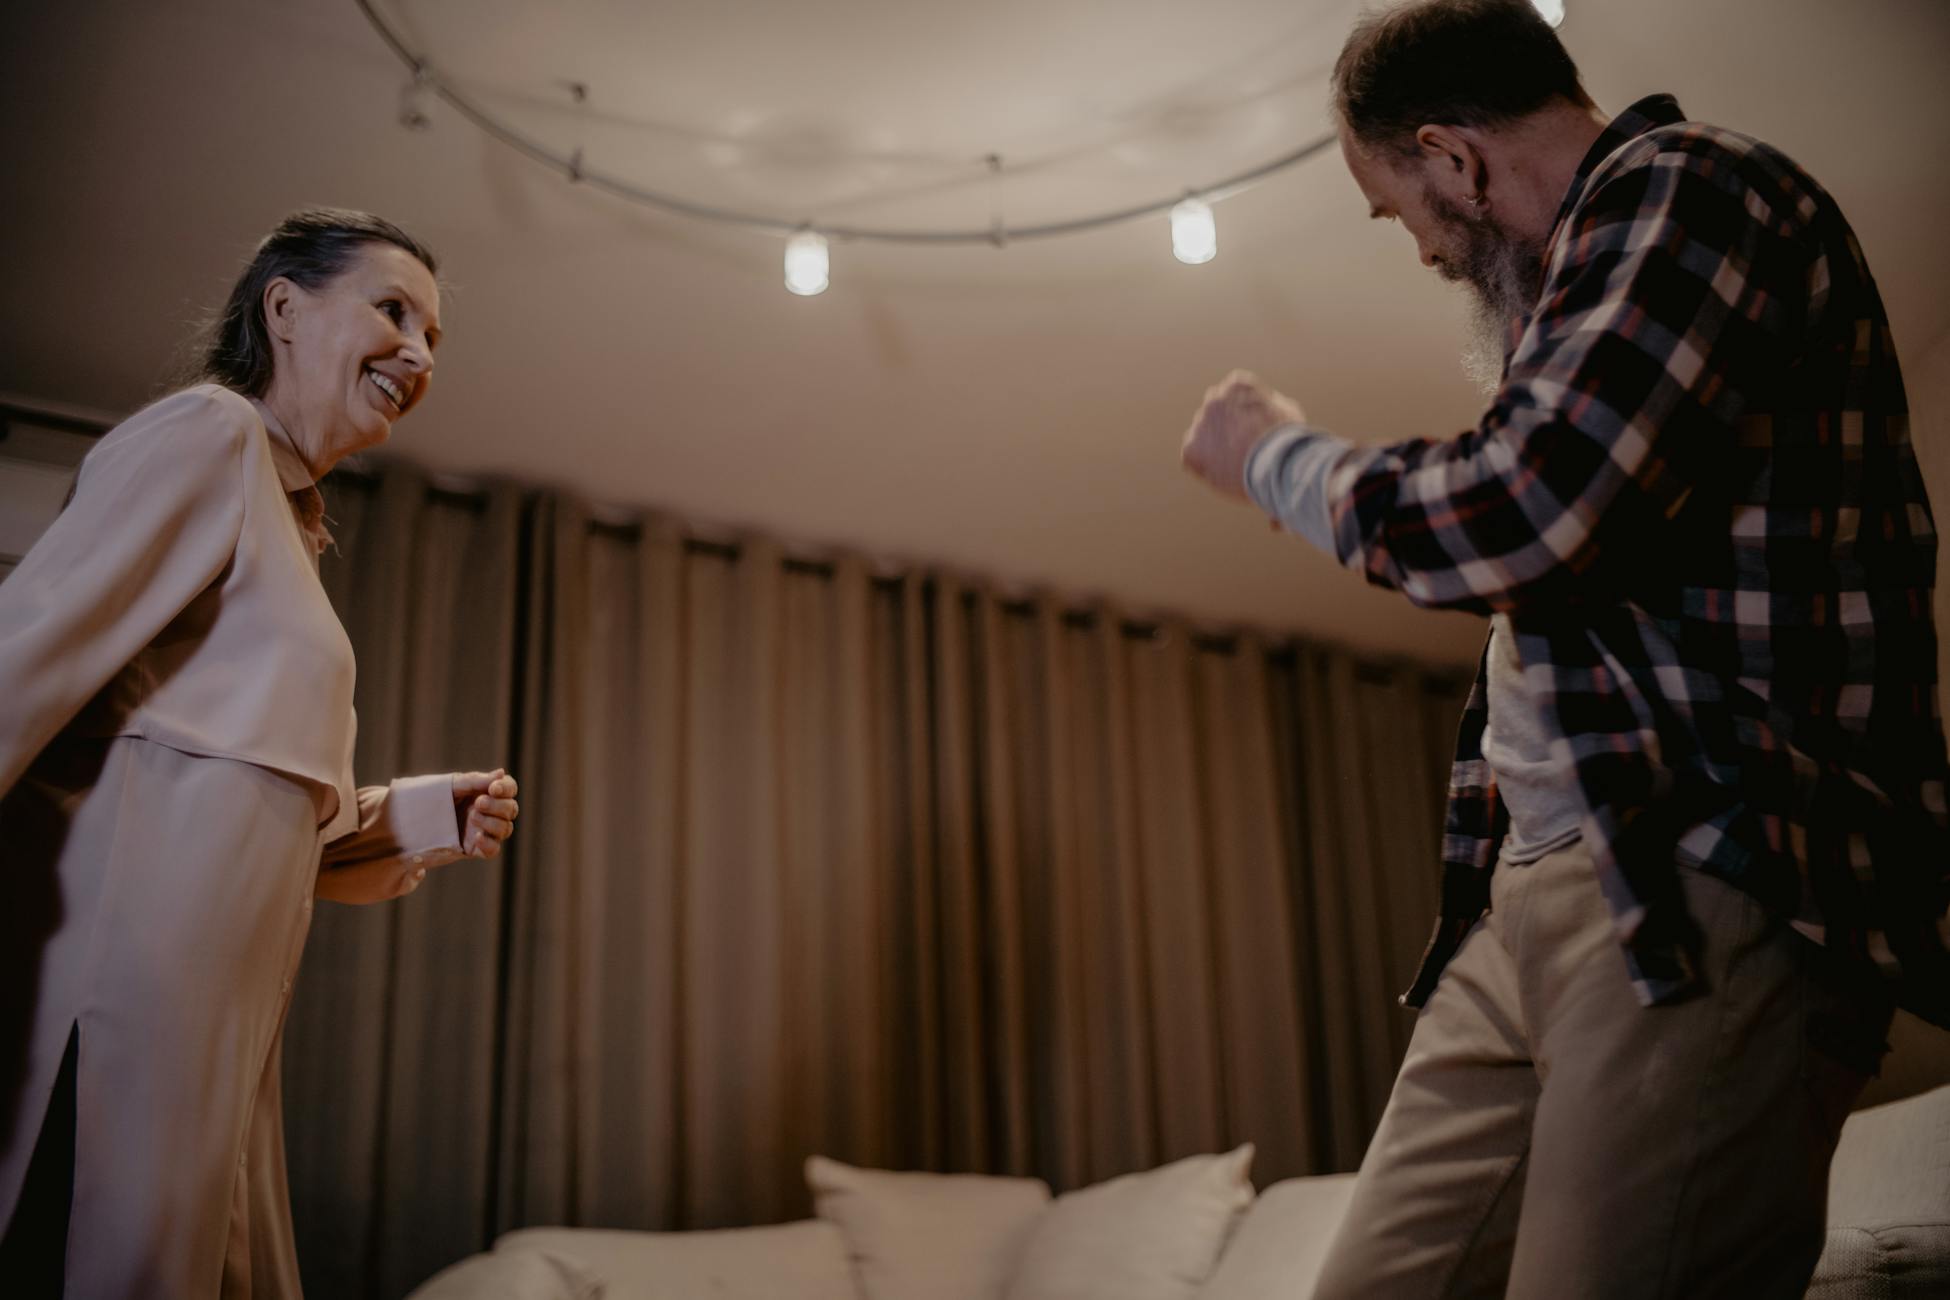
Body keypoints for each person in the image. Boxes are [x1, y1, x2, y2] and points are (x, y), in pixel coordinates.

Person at [1179, 1, 1948, 1295]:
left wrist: (1268, 456)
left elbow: (1527, 507)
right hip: (1520, 896)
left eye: (1398, 210)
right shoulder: (1588, 295)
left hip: (1700, 863)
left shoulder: (1691, 188)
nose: (1419, 248)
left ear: (1450, 159)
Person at [0, 208, 522, 1297]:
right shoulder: (210, 434)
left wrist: (421, 814)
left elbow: (250, 812)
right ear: (284, 306)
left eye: (434, 336)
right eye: (394, 311)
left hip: (215, 1042)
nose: (421, 354)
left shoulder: (292, 523)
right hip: (118, 1013)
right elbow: (23, 658)